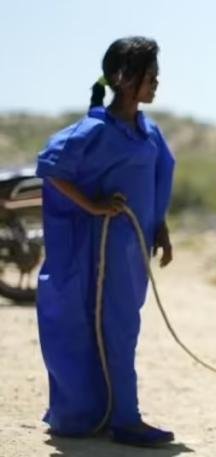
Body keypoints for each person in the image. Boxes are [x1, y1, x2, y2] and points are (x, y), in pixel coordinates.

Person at [35, 36, 176, 447]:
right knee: (117, 329)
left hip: (135, 252)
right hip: (104, 254)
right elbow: (52, 167)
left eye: (156, 74)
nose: (156, 82)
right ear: (121, 77)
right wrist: (93, 206)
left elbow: (157, 177)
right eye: (149, 75)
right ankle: (126, 419)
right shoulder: (95, 130)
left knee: (123, 327)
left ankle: (104, 413)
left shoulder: (149, 132)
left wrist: (161, 227)